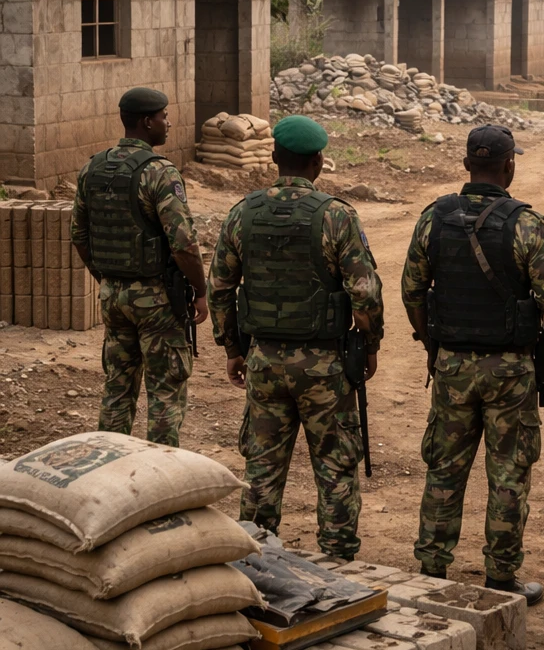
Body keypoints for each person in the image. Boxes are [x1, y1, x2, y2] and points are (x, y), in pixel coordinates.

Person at [402, 124, 544, 604]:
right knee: (509, 472)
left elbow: (412, 291)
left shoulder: (434, 217)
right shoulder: (526, 223)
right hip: (509, 370)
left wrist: (431, 341)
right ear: (510, 165)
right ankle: (500, 577)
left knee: (444, 468)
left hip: (452, 364)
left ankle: (431, 570)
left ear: (466, 166)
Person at [207, 115, 384, 560]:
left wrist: (232, 349)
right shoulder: (336, 216)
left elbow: (220, 288)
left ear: (273, 158)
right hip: (325, 365)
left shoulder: (242, 212)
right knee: (335, 466)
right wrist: (370, 346)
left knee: (262, 466)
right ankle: (340, 562)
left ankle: (254, 561)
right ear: (318, 162)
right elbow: (365, 294)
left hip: (263, 361)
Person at [71, 87, 207, 447]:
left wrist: (106, 277)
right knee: (165, 389)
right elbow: (184, 245)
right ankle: (160, 476)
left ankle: (108, 465)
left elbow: (79, 236)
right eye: (164, 116)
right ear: (147, 122)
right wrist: (201, 291)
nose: (169, 122)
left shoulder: (91, 168)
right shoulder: (159, 172)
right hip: (157, 299)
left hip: (113, 296)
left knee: (117, 385)